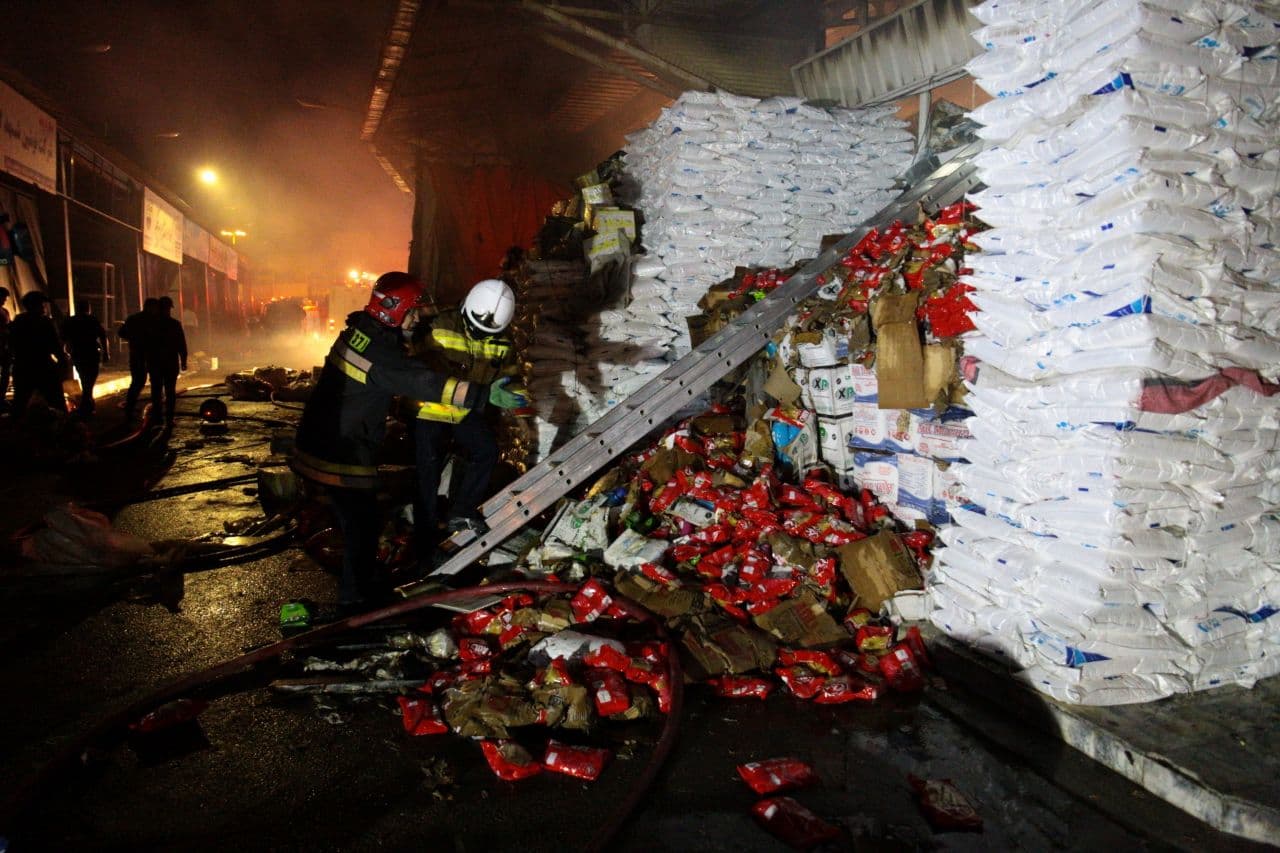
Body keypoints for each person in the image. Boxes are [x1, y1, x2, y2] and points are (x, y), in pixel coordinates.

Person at [291, 272, 506, 614]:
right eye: (413, 312)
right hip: (338, 449)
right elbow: (420, 381)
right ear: (394, 310)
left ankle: (363, 584)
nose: (417, 318)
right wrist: (482, 395)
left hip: (329, 440)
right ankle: (355, 602)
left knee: (361, 519)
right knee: (362, 522)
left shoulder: (366, 333)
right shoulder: (378, 352)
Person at [409, 278, 527, 566]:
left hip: (466, 410)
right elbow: (411, 362)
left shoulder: (502, 343)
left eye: (486, 333)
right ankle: (423, 545)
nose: (478, 334)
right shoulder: (439, 326)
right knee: (427, 474)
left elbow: (509, 377)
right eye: (474, 328)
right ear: (465, 310)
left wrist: (516, 398)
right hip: (430, 409)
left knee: (486, 451)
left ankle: (461, 511)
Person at [9, 291, 68, 417]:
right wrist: (63, 361)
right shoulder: (45, 322)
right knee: (56, 400)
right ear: (35, 305)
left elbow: (11, 344)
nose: (44, 307)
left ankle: (16, 425)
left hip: (23, 367)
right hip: (43, 366)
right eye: (41, 304)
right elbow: (55, 345)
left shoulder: (19, 320)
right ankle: (62, 424)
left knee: (20, 401)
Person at [62, 299, 110, 417]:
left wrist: (64, 352)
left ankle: (87, 403)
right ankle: (87, 403)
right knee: (90, 378)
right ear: (88, 308)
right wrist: (106, 353)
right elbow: (103, 336)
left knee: (84, 377)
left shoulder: (70, 321)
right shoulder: (92, 320)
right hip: (91, 353)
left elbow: (63, 338)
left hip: (78, 353)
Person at [147, 296, 188, 426]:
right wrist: (183, 361)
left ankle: (158, 417)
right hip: (170, 362)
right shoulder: (174, 324)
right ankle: (169, 419)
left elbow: (145, 345)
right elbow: (182, 344)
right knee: (170, 391)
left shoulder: (151, 324)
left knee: (156, 390)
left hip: (155, 362)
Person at [119, 298, 158, 421]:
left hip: (137, 354)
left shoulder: (133, 318)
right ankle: (156, 412)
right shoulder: (155, 320)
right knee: (155, 383)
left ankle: (129, 410)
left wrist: (133, 338)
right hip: (152, 355)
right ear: (151, 307)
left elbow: (121, 332)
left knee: (137, 382)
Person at [0, 286, 12, 413]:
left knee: (5, 374)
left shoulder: (4, 311)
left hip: (5, 347)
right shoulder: (3, 312)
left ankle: (1, 397)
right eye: (3, 298)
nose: (4, 300)